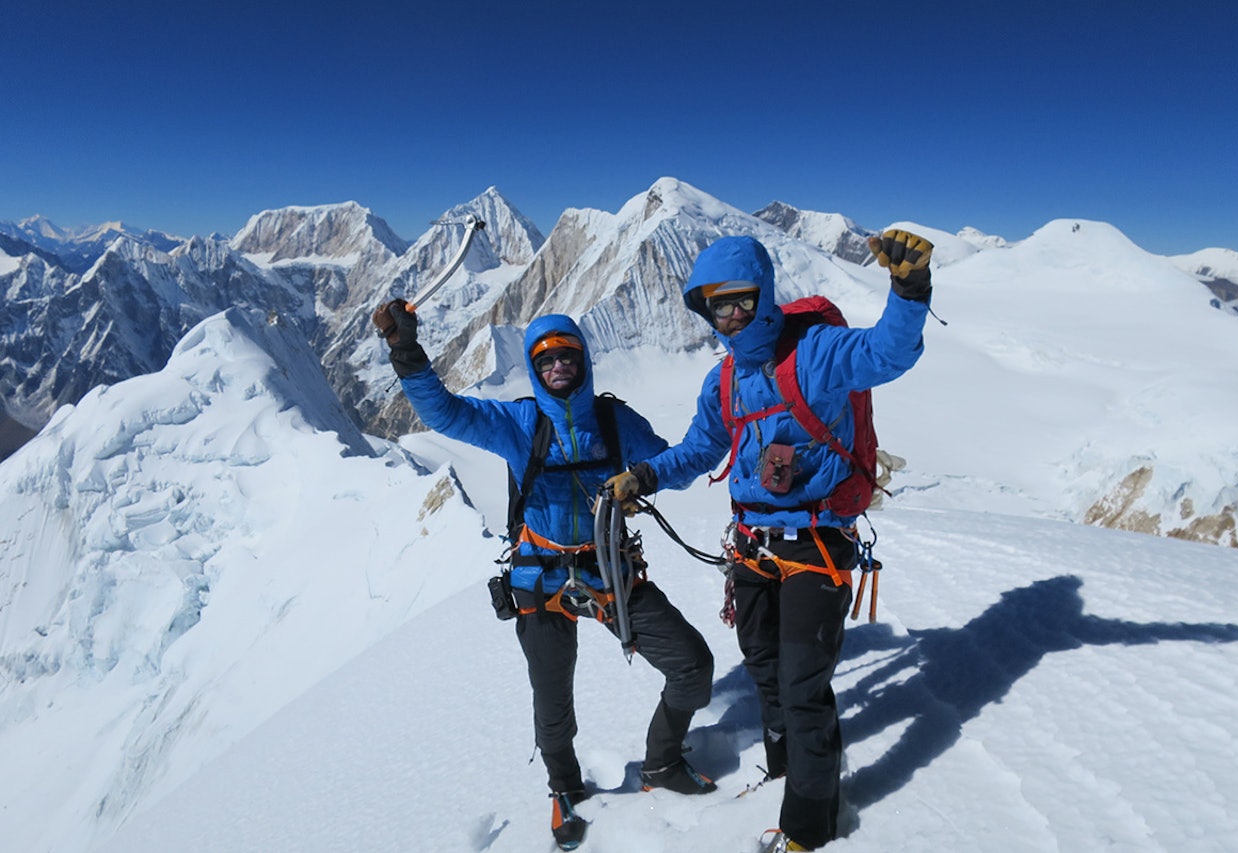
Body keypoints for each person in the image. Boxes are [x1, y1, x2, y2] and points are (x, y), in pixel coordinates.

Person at [606, 231, 934, 852]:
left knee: (802, 687)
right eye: (713, 306)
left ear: (764, 295)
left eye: (738, 302)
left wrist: (909, 289)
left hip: (817, 544)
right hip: (754, 546)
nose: (727, 317)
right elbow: (703, 448)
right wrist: (648, 475)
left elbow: (888, 352)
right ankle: (786, 773)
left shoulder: (818, 352)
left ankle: (809, 828)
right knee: (765, 670)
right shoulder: (724, 380)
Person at [372, 300, 716, 851]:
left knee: (692, 665)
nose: (558, 366)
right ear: (534, 368)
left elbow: (672, 466)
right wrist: (405, 351)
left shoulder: (616, 422)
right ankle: (564, 788)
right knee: (552, 702)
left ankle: (662, 763)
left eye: (567, 356)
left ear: (583, 361)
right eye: (546, 358)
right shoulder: (520, 423)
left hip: (609, 571)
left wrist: (656, 471)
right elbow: (444, 413)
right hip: (541, 578)